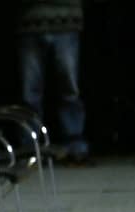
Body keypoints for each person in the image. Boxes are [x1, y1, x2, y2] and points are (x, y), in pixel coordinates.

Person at [17, 0, 90, 164]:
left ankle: (75, 146)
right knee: (30, 94)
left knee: (69, 89)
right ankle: (30, 148)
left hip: (66, 22)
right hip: (29, 23)